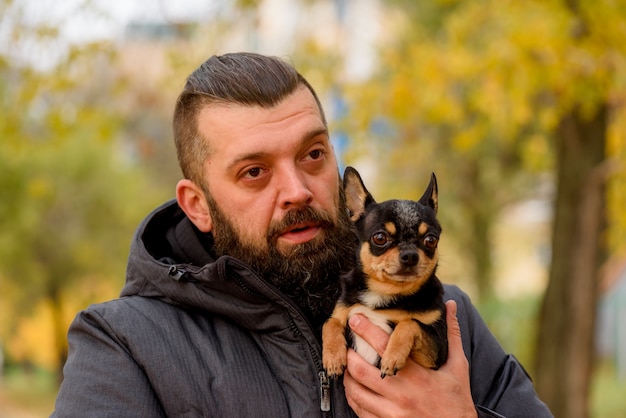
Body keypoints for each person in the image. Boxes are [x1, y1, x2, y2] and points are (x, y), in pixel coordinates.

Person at [52, 52, 552, 418]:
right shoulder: (125, 345)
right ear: (198, 206)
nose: (297, 190)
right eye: (254, 172)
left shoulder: (447, 318)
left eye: (313, 155)